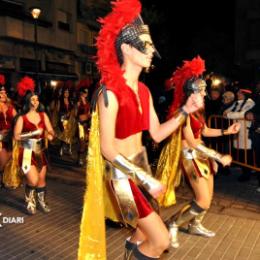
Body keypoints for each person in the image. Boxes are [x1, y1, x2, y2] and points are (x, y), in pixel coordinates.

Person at [77, 1, 204, 259]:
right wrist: (145, 179)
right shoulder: (109, 93)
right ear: (125, 48)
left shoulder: (144, 91)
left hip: (142, 168)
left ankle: (129, 250)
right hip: (122, 177)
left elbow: (156, 134)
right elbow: (107, 148)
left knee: (144, 233)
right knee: (161, 239)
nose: (151, 52)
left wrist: (184, 111)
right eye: (145, 46)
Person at [156, 57, 240, 249]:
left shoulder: (199, 111)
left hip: (202, 155)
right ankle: (173, 223)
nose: (205, 93)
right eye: (201, 90)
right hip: (190, 157)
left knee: (207, 199)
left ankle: (194, 224)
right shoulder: (183, 112)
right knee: (202, 200)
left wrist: (228, 131)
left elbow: (205, 132)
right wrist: (218, 156)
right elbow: (192, 142)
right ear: (191, 93)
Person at [14, 76, 55, 215]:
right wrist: (33, 133)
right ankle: (30, 200)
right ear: (27, 101)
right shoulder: (22, 118)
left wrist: (49, 135)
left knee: (41, 180)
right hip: (26, 151)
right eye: (32, 99)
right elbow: (16, 136)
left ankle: (42, 201)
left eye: (37, 99)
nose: (35, 101)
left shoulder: (43, 115)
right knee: (33, 179)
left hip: (40, 151)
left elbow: (51, 131)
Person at [223, 88, 255, 182]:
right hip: (237, 131)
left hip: (246, 132)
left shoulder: (250, 103)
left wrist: (231, 115)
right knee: (240, 153)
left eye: (240, 93)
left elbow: (243, 114)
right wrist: (233, 114)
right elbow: (225, 112)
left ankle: (247, 173)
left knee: (247, 153)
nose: (237, 94)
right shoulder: (237, 103)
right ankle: (243, 171)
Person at [0, 74, 17, 187]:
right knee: (2, 161)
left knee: (9, 161)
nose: (4, 94)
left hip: (10, 138)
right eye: (1, 93)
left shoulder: (11, 107)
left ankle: (5, 179)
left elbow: (18, 120)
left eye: (5, 93)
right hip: (0, 139)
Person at [76, 80, 91, 166]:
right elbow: (75, 114)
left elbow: (89, 114)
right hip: (80, 124)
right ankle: (79, 159)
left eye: (87, 92)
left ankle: (81, 158)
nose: (86, 93)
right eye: (85, 92)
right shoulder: (78, 102)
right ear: (81, 92)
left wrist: (89, 116)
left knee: (86, 142)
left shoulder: (88, 103)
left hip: (86, 124)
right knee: (81, 141)